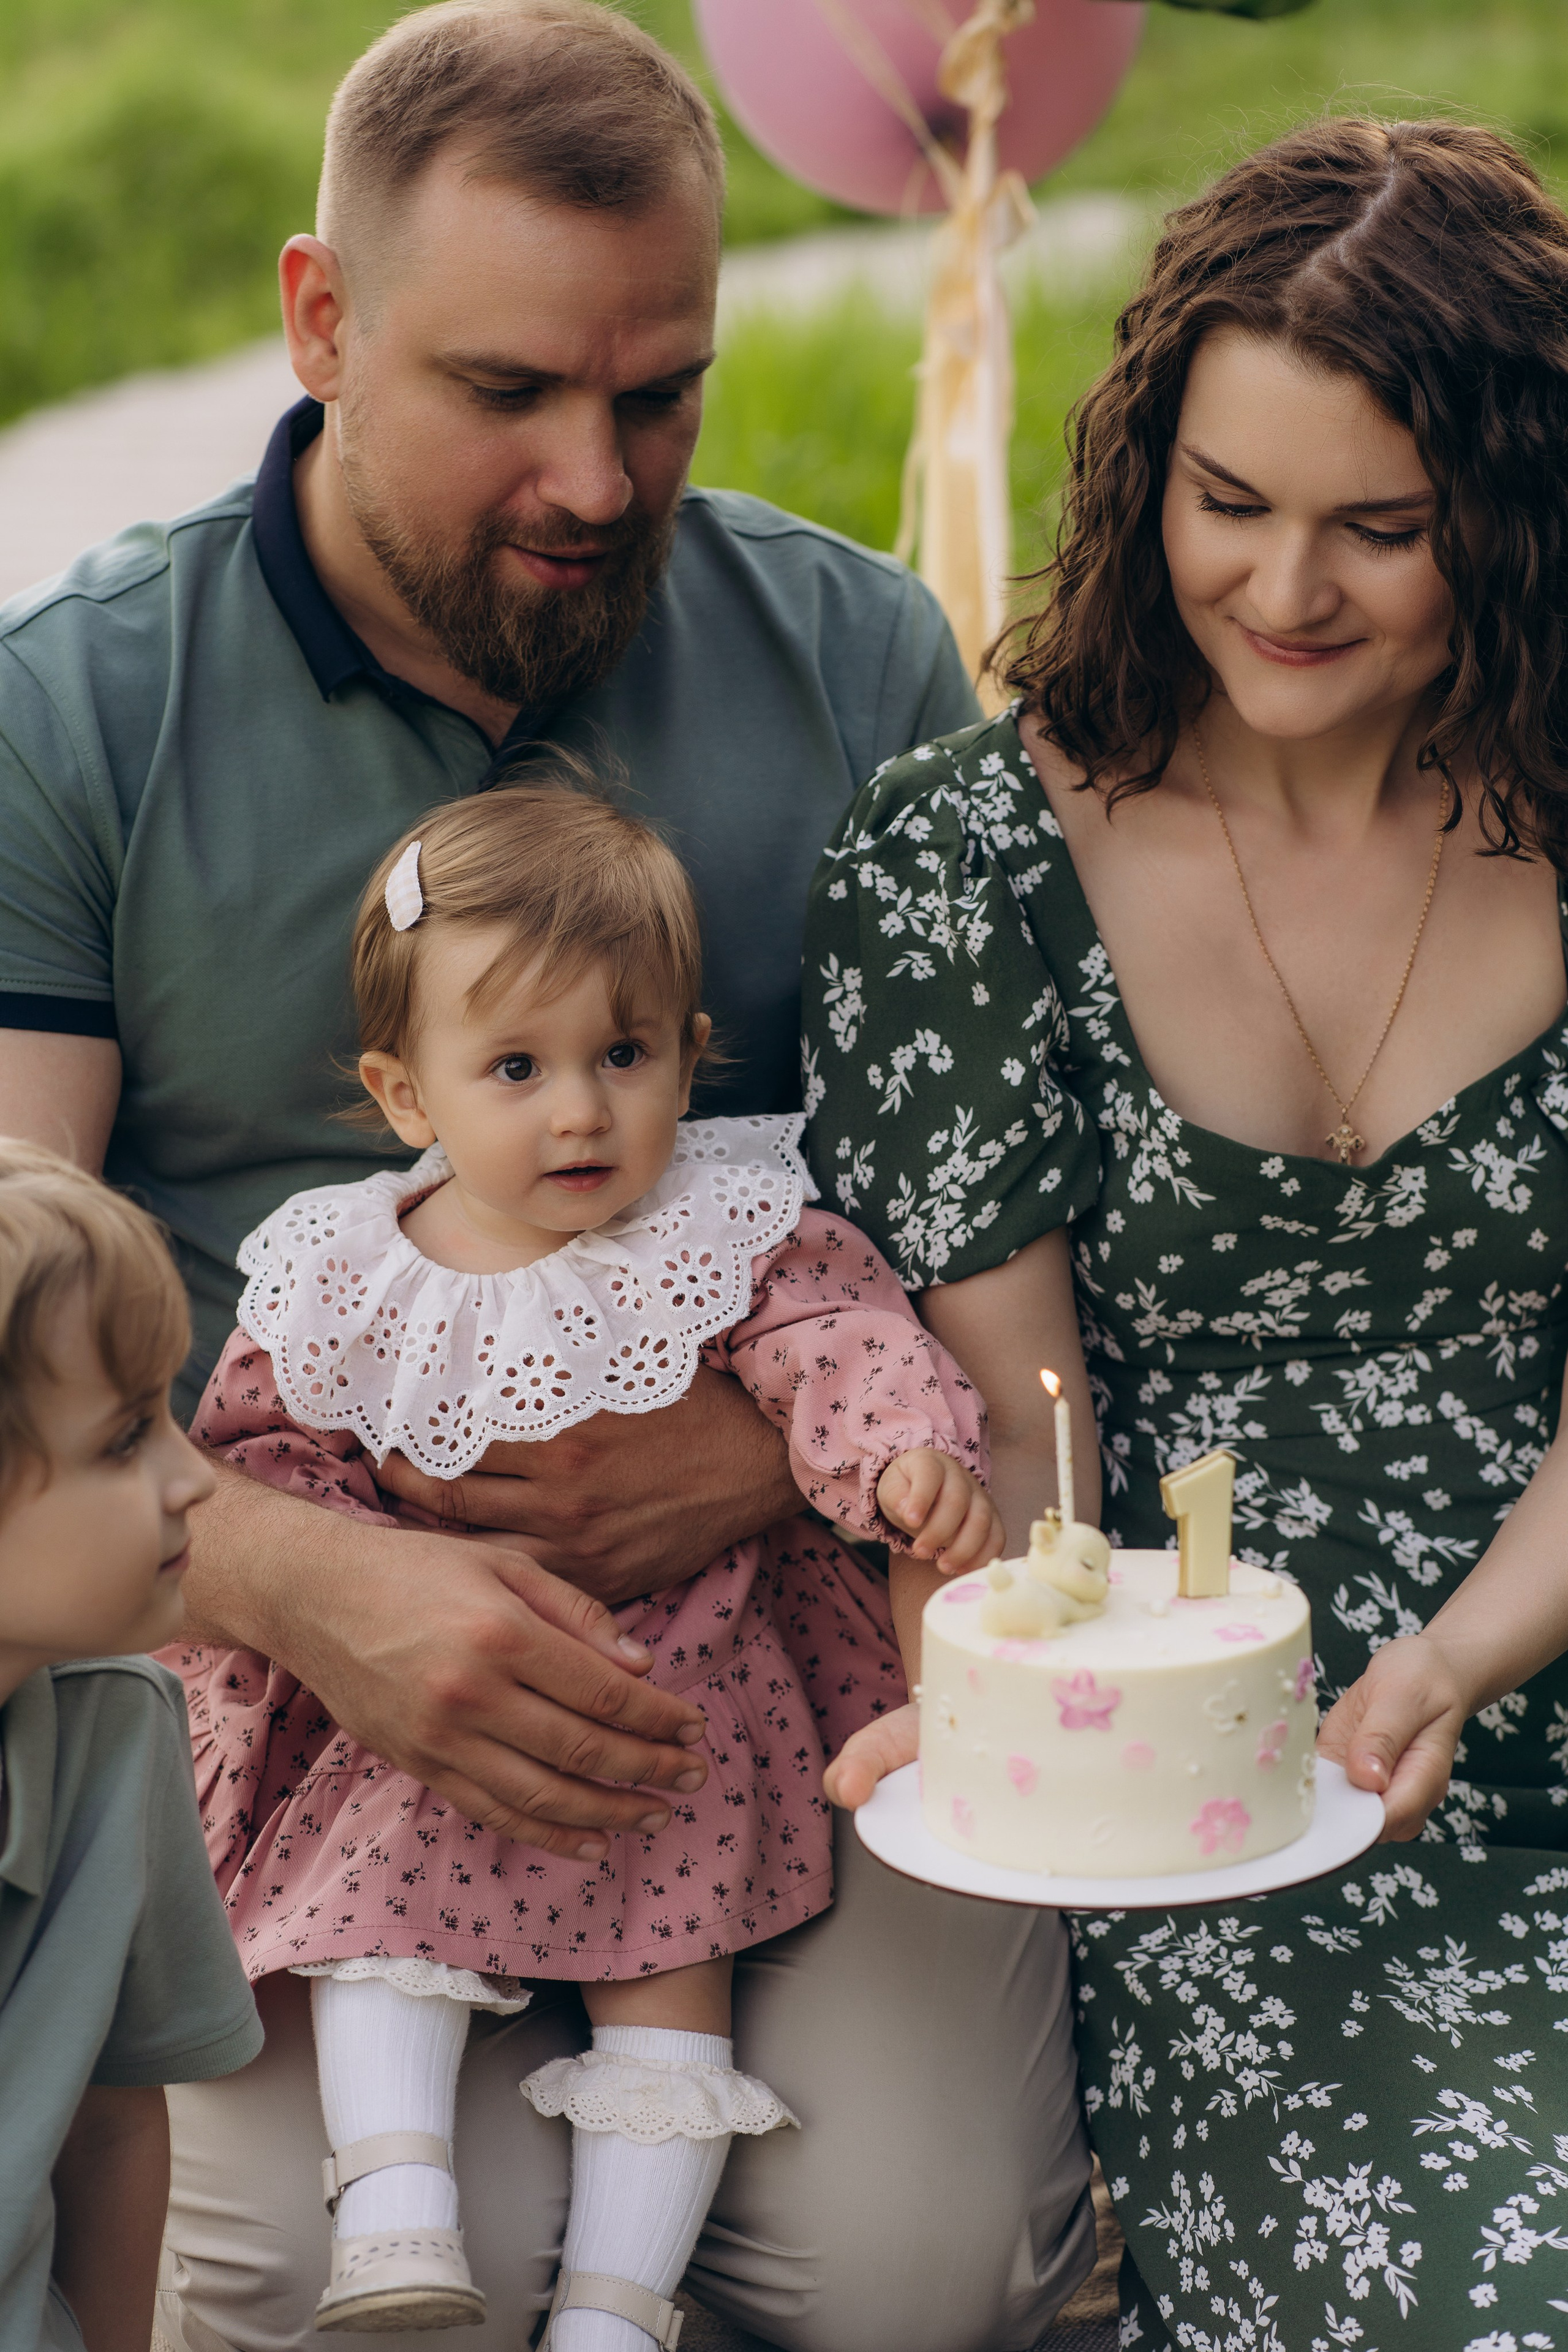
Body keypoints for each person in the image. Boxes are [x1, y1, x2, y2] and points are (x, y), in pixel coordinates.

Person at [0, 6, 1098, 2345]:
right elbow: (9, 1324)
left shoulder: (851, 657)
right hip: (284, 1656)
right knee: (340, 2278)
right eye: (508, 392)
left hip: (772, 1643)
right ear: (322, 321)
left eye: (662, 390)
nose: (601, 480)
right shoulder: (79, 711)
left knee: (915, 2268)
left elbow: (967, 1208)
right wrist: (304, 1579)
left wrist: (768, 1460)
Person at [805, 116, 1568, 2349]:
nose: (1284, 588)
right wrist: (993, 1673)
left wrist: (1466, 1653)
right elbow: (1025, 1445)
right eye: (1228, 503)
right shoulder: (965, 862)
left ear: (1514, 521)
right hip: (1230, 1793)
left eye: (1383, 530)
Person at [181, 777, 1000, 2336]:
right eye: (515, 1066)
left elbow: (841, 1343)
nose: (579, 1109)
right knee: (374, 1923)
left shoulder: (725, 1234)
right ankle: (397, 2204)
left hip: (688, 1717)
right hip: (433, 1713)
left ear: (691, 1058)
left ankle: (614, 2315)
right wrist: (360, 1572)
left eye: (623, 1055)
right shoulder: (347, 1268)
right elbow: (265, 1454)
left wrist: (895, 1454)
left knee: (671, 2003)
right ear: (403, 1090)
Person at [0, 1140, 262, 2352]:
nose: (190, 1476)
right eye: (121, 1442)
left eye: (168, 1411)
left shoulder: (116, 1723)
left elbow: (112, 2120)